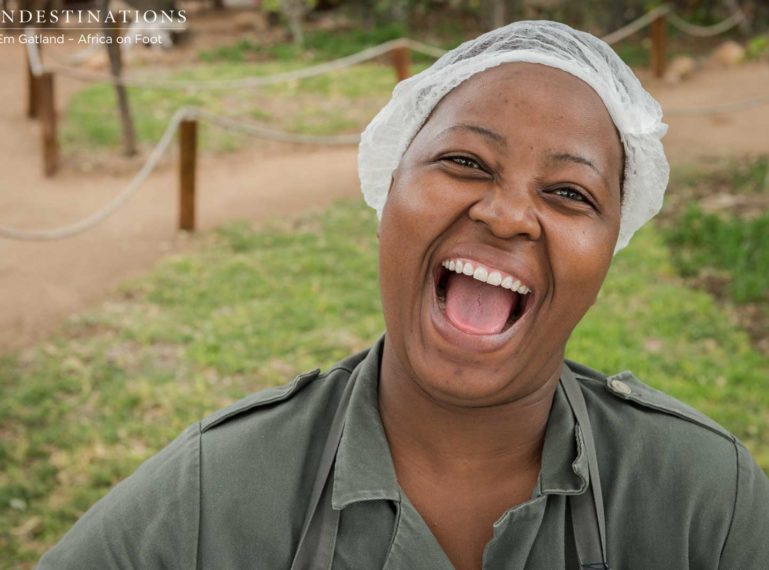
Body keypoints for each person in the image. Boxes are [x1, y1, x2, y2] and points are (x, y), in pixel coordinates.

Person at [39, 20, 768, 570]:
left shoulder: (704, 501)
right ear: (387, 187)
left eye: (569, 192)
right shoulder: (213, 496)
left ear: (610, 246)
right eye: (463, 160)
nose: (506, 214)